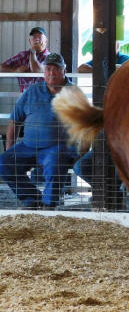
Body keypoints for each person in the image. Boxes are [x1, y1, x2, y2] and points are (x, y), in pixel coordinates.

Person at [0, 53, 79, 209]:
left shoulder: (74, 93)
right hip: (28, 146)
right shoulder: (32, 91)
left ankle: (49, 205)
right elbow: (15, 120)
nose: (51, 73)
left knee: (55, 160)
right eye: (48, 69)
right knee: (4, 161)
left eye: (56, 69)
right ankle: (32, 199)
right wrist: (10, 149)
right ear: (44, 72)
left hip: (57, 147)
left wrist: (80, 149)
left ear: (64, 71)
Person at [1, 26, 49, 93]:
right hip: (25, 97)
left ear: (46, 41)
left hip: (43, 97)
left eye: (40, 37)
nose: (37, 39)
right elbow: (1, 67)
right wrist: (15, 71)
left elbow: (36, 70)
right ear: (30, 41)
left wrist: (33, 51)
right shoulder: (23, 55)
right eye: (34, 37)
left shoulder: (50, 57)